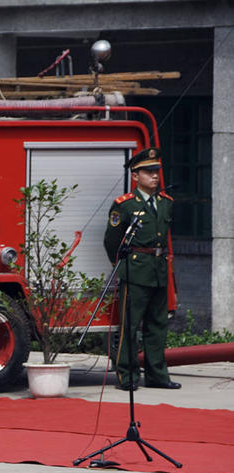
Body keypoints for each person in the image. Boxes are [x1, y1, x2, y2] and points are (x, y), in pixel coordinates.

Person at [104, 147, 180, 391]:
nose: (155, 176)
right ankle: (126, 376)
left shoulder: (166, 203)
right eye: (148, 172)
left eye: (156, 171)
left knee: (157, 325)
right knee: (130, 325)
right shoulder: (124, 205)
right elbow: (111, 242)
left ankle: (157, 375)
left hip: (158, 270)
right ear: (135, 176)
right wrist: (123, 265)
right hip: (135, 271)